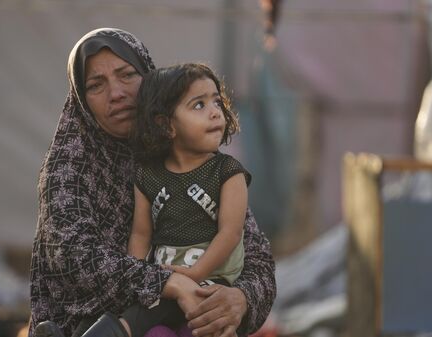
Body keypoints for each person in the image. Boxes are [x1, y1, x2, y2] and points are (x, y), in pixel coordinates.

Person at [29, 28, 276, 337]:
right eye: (96, 85)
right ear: (81, 98)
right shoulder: (69, 167)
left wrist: (241, 298)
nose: (116, 93)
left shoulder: (191, 156)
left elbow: (255, 254)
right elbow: (73, 257)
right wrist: (168, 283)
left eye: (127, 75)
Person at [110, 63, 251, 337]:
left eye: (217, 102)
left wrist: (194, 274)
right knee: (155, 332)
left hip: (212, 279)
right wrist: (138, 279)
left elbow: (230, 233)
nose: (214, 112)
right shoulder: (149, 176)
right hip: (165, 280)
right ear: (166, 125)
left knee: (196, 326)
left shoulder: (228, 172)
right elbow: (141, 235)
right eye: (199, 105)